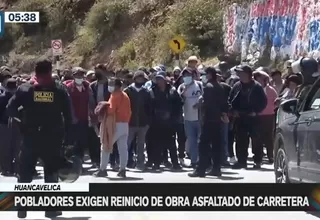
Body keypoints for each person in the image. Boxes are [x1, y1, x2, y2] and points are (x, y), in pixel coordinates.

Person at [6, 59, 73, 218]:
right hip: (52, 140)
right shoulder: (59, 90)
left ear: (35, 72)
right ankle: (50, 209)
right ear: (50, 71)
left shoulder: (26, 89)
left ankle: (22, 209)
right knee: (51, 174)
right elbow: (69, 117)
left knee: (25, 175)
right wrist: (69, 140)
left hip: (30, 138)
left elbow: (10, 109)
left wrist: (21, 122)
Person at [188, 67, 229, 177]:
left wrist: (201, 104)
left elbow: (206, 103)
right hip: (218, 120)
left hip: (208, 119)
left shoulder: (208, 87)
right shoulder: (220, 87)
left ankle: (200, 169)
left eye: (205, 74)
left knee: (203, 145)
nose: (204, 77)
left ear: (210, 74)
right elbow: (224, 103)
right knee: (216, 145)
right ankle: (216, 168)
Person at [229, 65, 267, 169]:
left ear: (247, 74)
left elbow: (263, 102)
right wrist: (233, 111)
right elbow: (230, 99)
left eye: (241, 73)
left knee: (256, 140)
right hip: (240, 117)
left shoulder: (257, 86)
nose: (239, 75)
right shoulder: (237, 86)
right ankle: (241, 161)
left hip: (253, 117)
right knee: (240, 140)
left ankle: (257, 160)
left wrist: (256, 112)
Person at [93, 77, 131, 178]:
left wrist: (103, 105)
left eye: (111, 84)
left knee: (106, 146)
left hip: (115, 124)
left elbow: (110, 111)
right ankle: (122, 170)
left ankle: (102, 169)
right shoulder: (125, 95)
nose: (109, 86)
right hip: (125, 125)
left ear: (117, 86)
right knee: (123, 148)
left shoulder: (115, 95)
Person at [148, 71, 182, 170]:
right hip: (157, 122)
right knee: (156, 144)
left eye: (161, 79)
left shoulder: (172, 90)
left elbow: (179, 104)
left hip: (170, 122)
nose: (159, 81)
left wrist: (174, 118)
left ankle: (175, 163)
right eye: (157, 79)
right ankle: (156, 163)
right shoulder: (152, 91)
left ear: (165, 80)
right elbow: (149, 106)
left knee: (171, 144)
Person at [65, 67, 96, 164]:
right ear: (73, 76)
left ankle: (79, 160)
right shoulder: (68, 87)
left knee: (82, 141)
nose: (80, 77)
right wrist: (72, 116)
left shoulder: (87, 87)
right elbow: (67, 104)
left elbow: (91, 102)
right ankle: (70, 161)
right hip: (72, 119)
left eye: (81, 75)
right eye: (77, 75)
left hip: (84, 119)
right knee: (71, 141)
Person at [124, 70, 150, 170]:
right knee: (127, 144)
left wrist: (148, 122)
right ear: (134, 79)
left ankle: (140, 163)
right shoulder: (128, 91)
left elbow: (149, 108)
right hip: (130, 122)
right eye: (138, 78)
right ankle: (124, 162)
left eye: (142, 78)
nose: (140, 80)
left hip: (143, 124)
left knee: (140, 145)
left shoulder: (146, 92)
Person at [178, 67, 203, 168]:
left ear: (193, 76)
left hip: (199, 117)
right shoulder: (181, 87)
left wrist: (200, 103)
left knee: (201, 140)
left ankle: (203, 160)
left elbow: (206, 97)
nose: (186, 77)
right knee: (192, 141)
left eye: (188, 75)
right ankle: (194, 161)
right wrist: (185, 90)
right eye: (184, 76)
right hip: (187, 118)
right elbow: (178, 100)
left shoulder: (200, 85)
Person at [253, 70, 278, 164]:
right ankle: (258, 158)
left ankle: (270, 156)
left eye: (260, 79)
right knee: (257, 138)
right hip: (257, 116)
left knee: (268, 137)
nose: (259, 81)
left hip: (269, 116)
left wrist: (271, 109)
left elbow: (276, 102)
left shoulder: (271, 90)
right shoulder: (254, 89)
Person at [0, 78, 19, 176]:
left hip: (4, 125)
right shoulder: (16, 97)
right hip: (11, 124)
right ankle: (11, 168)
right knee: (13, 146)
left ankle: (6, 168)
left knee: (6, 147)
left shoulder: (2, 97)